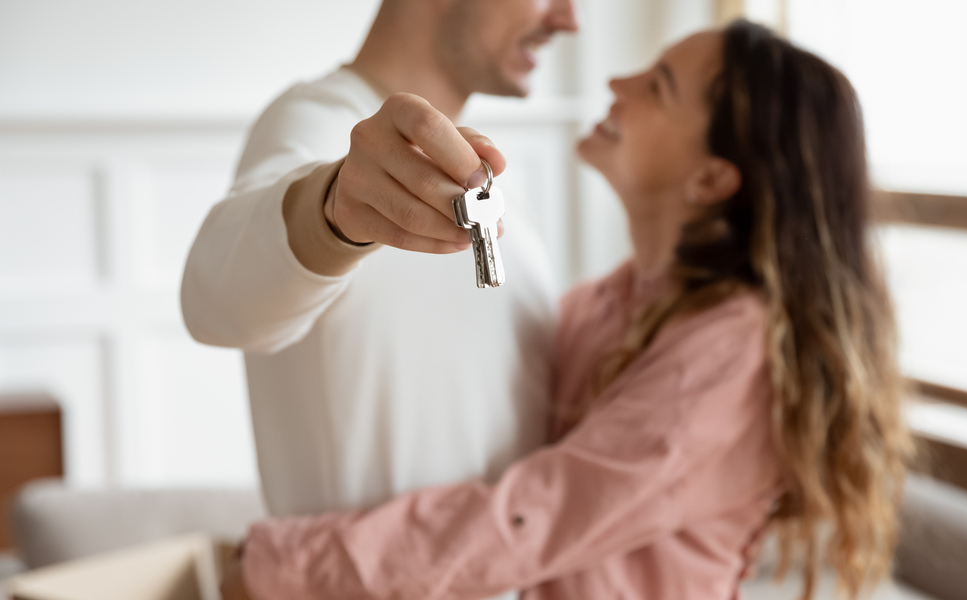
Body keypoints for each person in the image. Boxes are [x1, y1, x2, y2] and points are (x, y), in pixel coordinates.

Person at [224, 20, 916, 600]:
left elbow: (537, 514)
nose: (617, 83)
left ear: (711, 178)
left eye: (655, 87)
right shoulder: (602, 303)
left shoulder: (738, 347)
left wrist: (281, 567)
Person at [182, 0, 576, 531]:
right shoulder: (312, 126)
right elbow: (218, 301)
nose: (567, 20)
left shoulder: (497, 179)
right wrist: (332, 213)